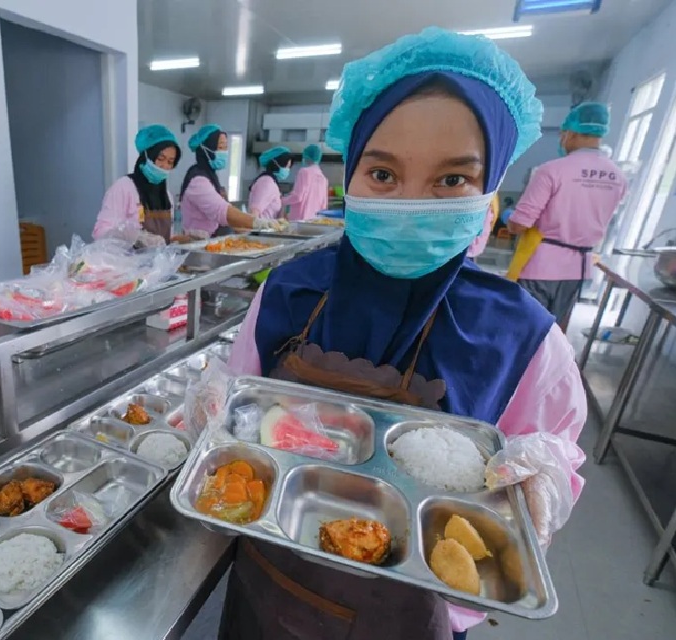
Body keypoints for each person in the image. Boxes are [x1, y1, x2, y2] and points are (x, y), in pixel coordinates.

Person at [218, 27, 586, 640]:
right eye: (383, 173)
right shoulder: (288, 292)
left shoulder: (521, 338)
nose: (411, 202)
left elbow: (554, 451)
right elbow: (236, 410)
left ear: (489, 191)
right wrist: (212, 406)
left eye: (451, 181)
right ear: (350, 173)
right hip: (268, 582)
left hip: (411, 614)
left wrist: (543, 472)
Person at [506, 103, 628, 330]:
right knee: (553, 333)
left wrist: (508, 217)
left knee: (523, 329)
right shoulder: (618, 176)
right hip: (578, 268)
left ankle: (520, 366)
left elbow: (520, 224)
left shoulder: (552, 170)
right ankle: (547, 367)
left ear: (571, 132)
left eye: (563, 134)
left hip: (541, 265)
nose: (562, 140)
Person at [93, 124, 182, 247]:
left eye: (170, 162)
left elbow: (166, 240)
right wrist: (133, 237)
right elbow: (100, 233)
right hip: (127, 264)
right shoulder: (124, 187)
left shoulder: (166, 195)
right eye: (160, 158)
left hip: (159, 265)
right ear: (147, 156)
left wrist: (184, 238)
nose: (165, 166)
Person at [180, 124, 277, 237]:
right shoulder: (197, 181)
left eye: (226, 147)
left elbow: (225, 213)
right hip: (196, 243)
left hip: (210, 240)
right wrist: (256, 222)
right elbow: (221, 210)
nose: (225, 152)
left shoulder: (210, 177)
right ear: (206, 149)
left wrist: (243, 227)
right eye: (221, 147)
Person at [283, 143, 330, 221]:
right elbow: (324, 205)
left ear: (306, 157)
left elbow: (298, 197)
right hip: (315, 220)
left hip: (300, 220)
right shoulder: (323, 178)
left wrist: (281, 200)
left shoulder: (304, 172)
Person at [248, 146, 292, 219]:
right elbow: (254, 213)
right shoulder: (266, 182)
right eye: (286, 167)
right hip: (260, 229)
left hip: (267, 229)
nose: (287, 170)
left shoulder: (272, 181)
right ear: (277, 164)